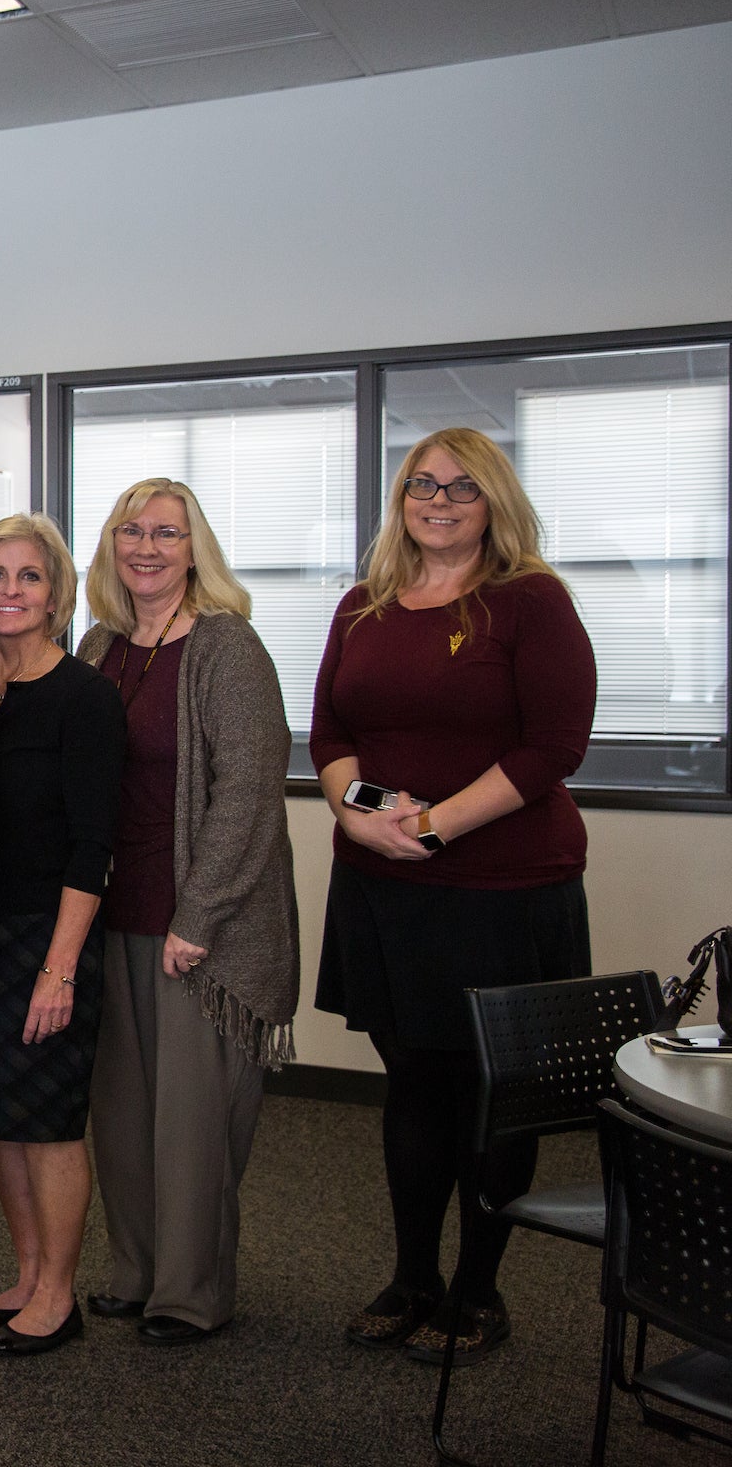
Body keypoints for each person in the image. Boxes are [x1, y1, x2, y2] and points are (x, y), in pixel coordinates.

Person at [312, 427, 596, 1366]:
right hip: (384, 889)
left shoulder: (530, 603)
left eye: (463, 487)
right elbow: (330, 734)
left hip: (502, 891)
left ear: (495, 503)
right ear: (401, 499)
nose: (439, 499)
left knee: (486, 1096)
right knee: (415, 1087)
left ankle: (478, 1290)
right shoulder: (365, 606)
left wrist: (433, 826)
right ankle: (413, 1278)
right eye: (422, 484)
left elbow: (552, 748)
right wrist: (359, 814)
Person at [77, 477, 298, 1348]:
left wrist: (199, 914)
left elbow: (248, 792)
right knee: (123, 1113)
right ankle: (134, 1272)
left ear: (194, 547)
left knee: (194, 1119)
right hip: (112, 913)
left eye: (167, 533)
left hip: (204, 927)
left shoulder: (227, 647)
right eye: (131, 530)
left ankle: (191, 1292)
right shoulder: (100, 644)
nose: (147, 547)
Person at [0, 515, 125, 1357]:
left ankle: (59, 1293)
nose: (11, 591)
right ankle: (24, 1273)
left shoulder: (84, 695)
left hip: (50, 936)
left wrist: (61, 969)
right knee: (0, 1119)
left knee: (48, 1120)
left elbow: (95, 844)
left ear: (57, 594)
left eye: (30, 577)